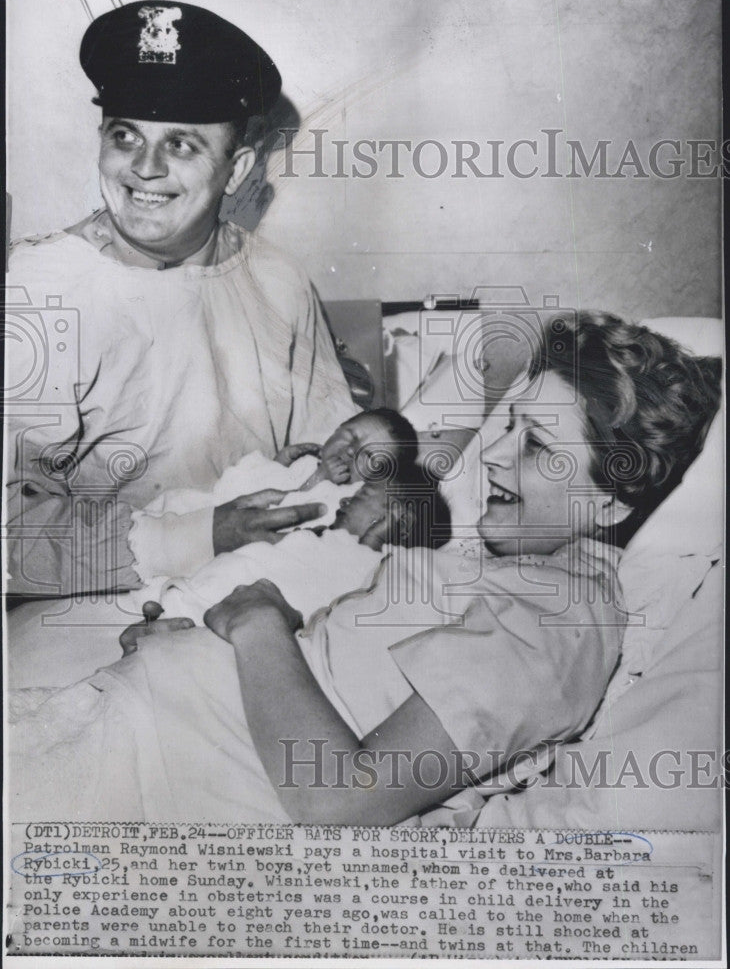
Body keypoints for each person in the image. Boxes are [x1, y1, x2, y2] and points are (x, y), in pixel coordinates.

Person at [8, 313, 721, 825]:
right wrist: (198, 642)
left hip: (152, 780)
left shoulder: (562, 621)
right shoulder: (518, 576)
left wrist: (257, 623)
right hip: (145, 737)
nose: (494, 455)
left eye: (534, 444)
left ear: (609, 493)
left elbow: (339, 800)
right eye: (506, 424)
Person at [5, 0, 357, 600]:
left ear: (239, 168)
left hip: (271, 585)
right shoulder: (38, 287)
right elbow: (11, 533)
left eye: (182, 145)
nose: (144, 168)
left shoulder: (278, 280)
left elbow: (342, 451)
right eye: (125, 136)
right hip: (93, 603)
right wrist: (198, 536)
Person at [123, 466, 452, 633]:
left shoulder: (367, 568)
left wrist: (372, 543)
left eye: (364, 496)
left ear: (397, 520)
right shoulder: (321, 540)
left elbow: (345, 587)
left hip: (217, 615)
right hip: (200, 595)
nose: (348, 498)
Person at [125, 407, 420, 583]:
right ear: (335, 430)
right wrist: (276, 464)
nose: (351, 451)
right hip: (207, 510)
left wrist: (316, 480)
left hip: (225, 548)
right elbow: (233, 486)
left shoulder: (341, 502)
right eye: (350, 436)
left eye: (369, 458)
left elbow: (287, 523)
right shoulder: (305, 462)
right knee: (170, 510)